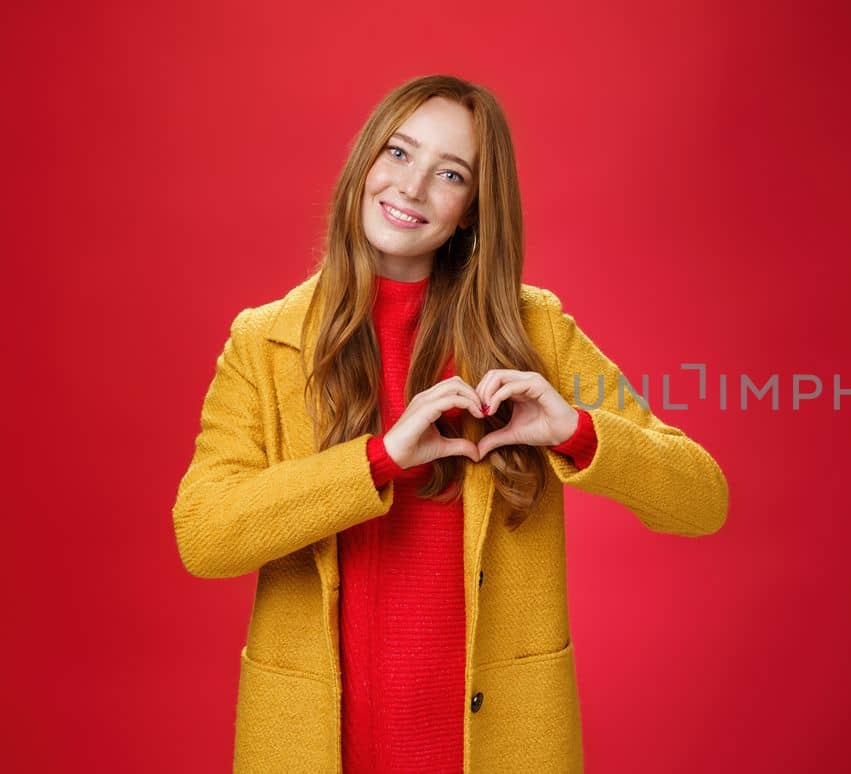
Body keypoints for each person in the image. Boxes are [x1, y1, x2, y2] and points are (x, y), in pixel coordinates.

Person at [171, 74, 729, 773]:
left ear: (471, 209)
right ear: (364, 162)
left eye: (450, 173)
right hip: (314, 748)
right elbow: (205, 534)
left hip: (497, 748)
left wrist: (577, 431)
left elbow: (702, 500)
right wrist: (377, 459)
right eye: (398, 154)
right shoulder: (265, 342)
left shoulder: (535, 334)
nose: (411, 187)